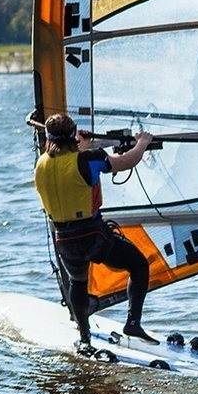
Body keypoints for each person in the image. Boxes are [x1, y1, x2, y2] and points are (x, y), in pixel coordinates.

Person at [34, 112, 156, 350]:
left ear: (48, 137)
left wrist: (81, 145)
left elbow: (67, 163)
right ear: (74, 135)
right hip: (93, 237)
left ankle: (84, 337)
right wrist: (142, 143)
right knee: (139, 265)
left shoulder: (41, 164)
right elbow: (127, 161)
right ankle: (132, 323)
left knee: (78, 283)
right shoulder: (89, 159)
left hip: (64, 241)